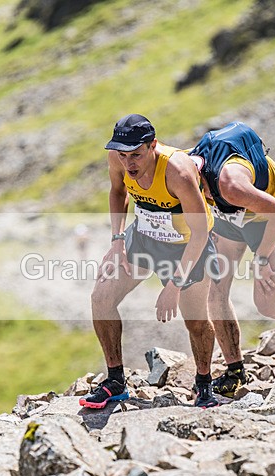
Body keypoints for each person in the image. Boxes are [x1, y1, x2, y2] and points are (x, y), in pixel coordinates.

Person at [83, 114, 220, 409]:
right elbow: (118, 191)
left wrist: (174, 285)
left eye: (137, 155)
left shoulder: (177, 172)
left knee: (196, 322)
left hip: (186, 246)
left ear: (153, 146)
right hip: (144, 237)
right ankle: (115, 380)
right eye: (123, 155)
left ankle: (204, 386)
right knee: (101, 298)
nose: (129, 163)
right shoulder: (117, 158)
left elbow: (200, 233)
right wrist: (118, 240)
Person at [189, 122, 275, 396]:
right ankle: (235, 372)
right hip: (228, 216)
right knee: (216, 291)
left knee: (267, 303)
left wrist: (263, 258)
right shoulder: (185, 172)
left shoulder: (230, 184)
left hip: (270, 214)